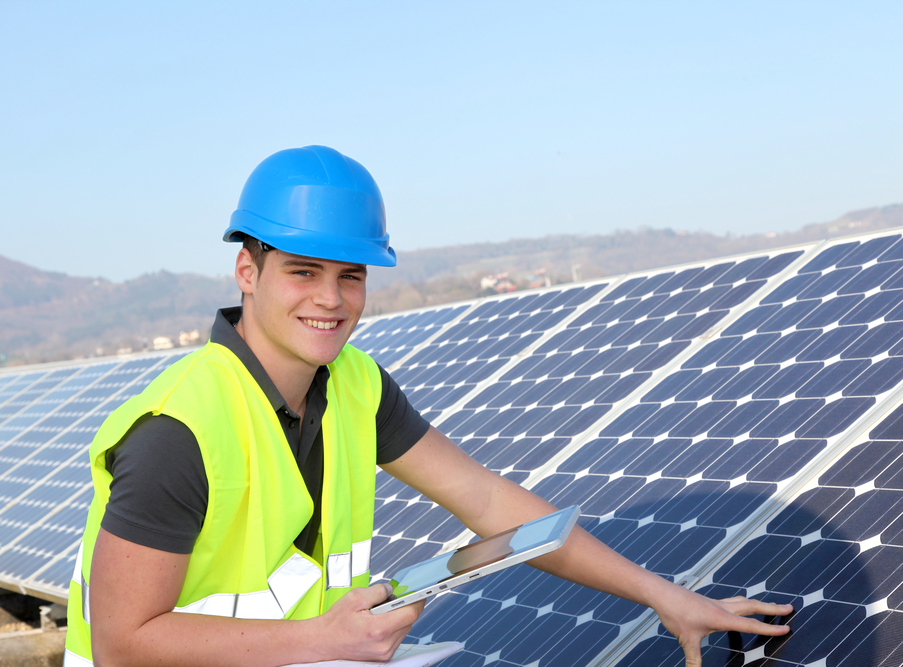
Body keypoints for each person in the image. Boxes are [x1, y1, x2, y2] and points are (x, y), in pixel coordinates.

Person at [64, 146, 792, 667]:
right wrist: (328, 638)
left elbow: (489, 501)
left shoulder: (356, 386)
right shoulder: (180, 430)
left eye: (351, 275)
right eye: (303, 271)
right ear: (246, 270)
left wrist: (660, 593)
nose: (330, 299)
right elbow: (123, 643)